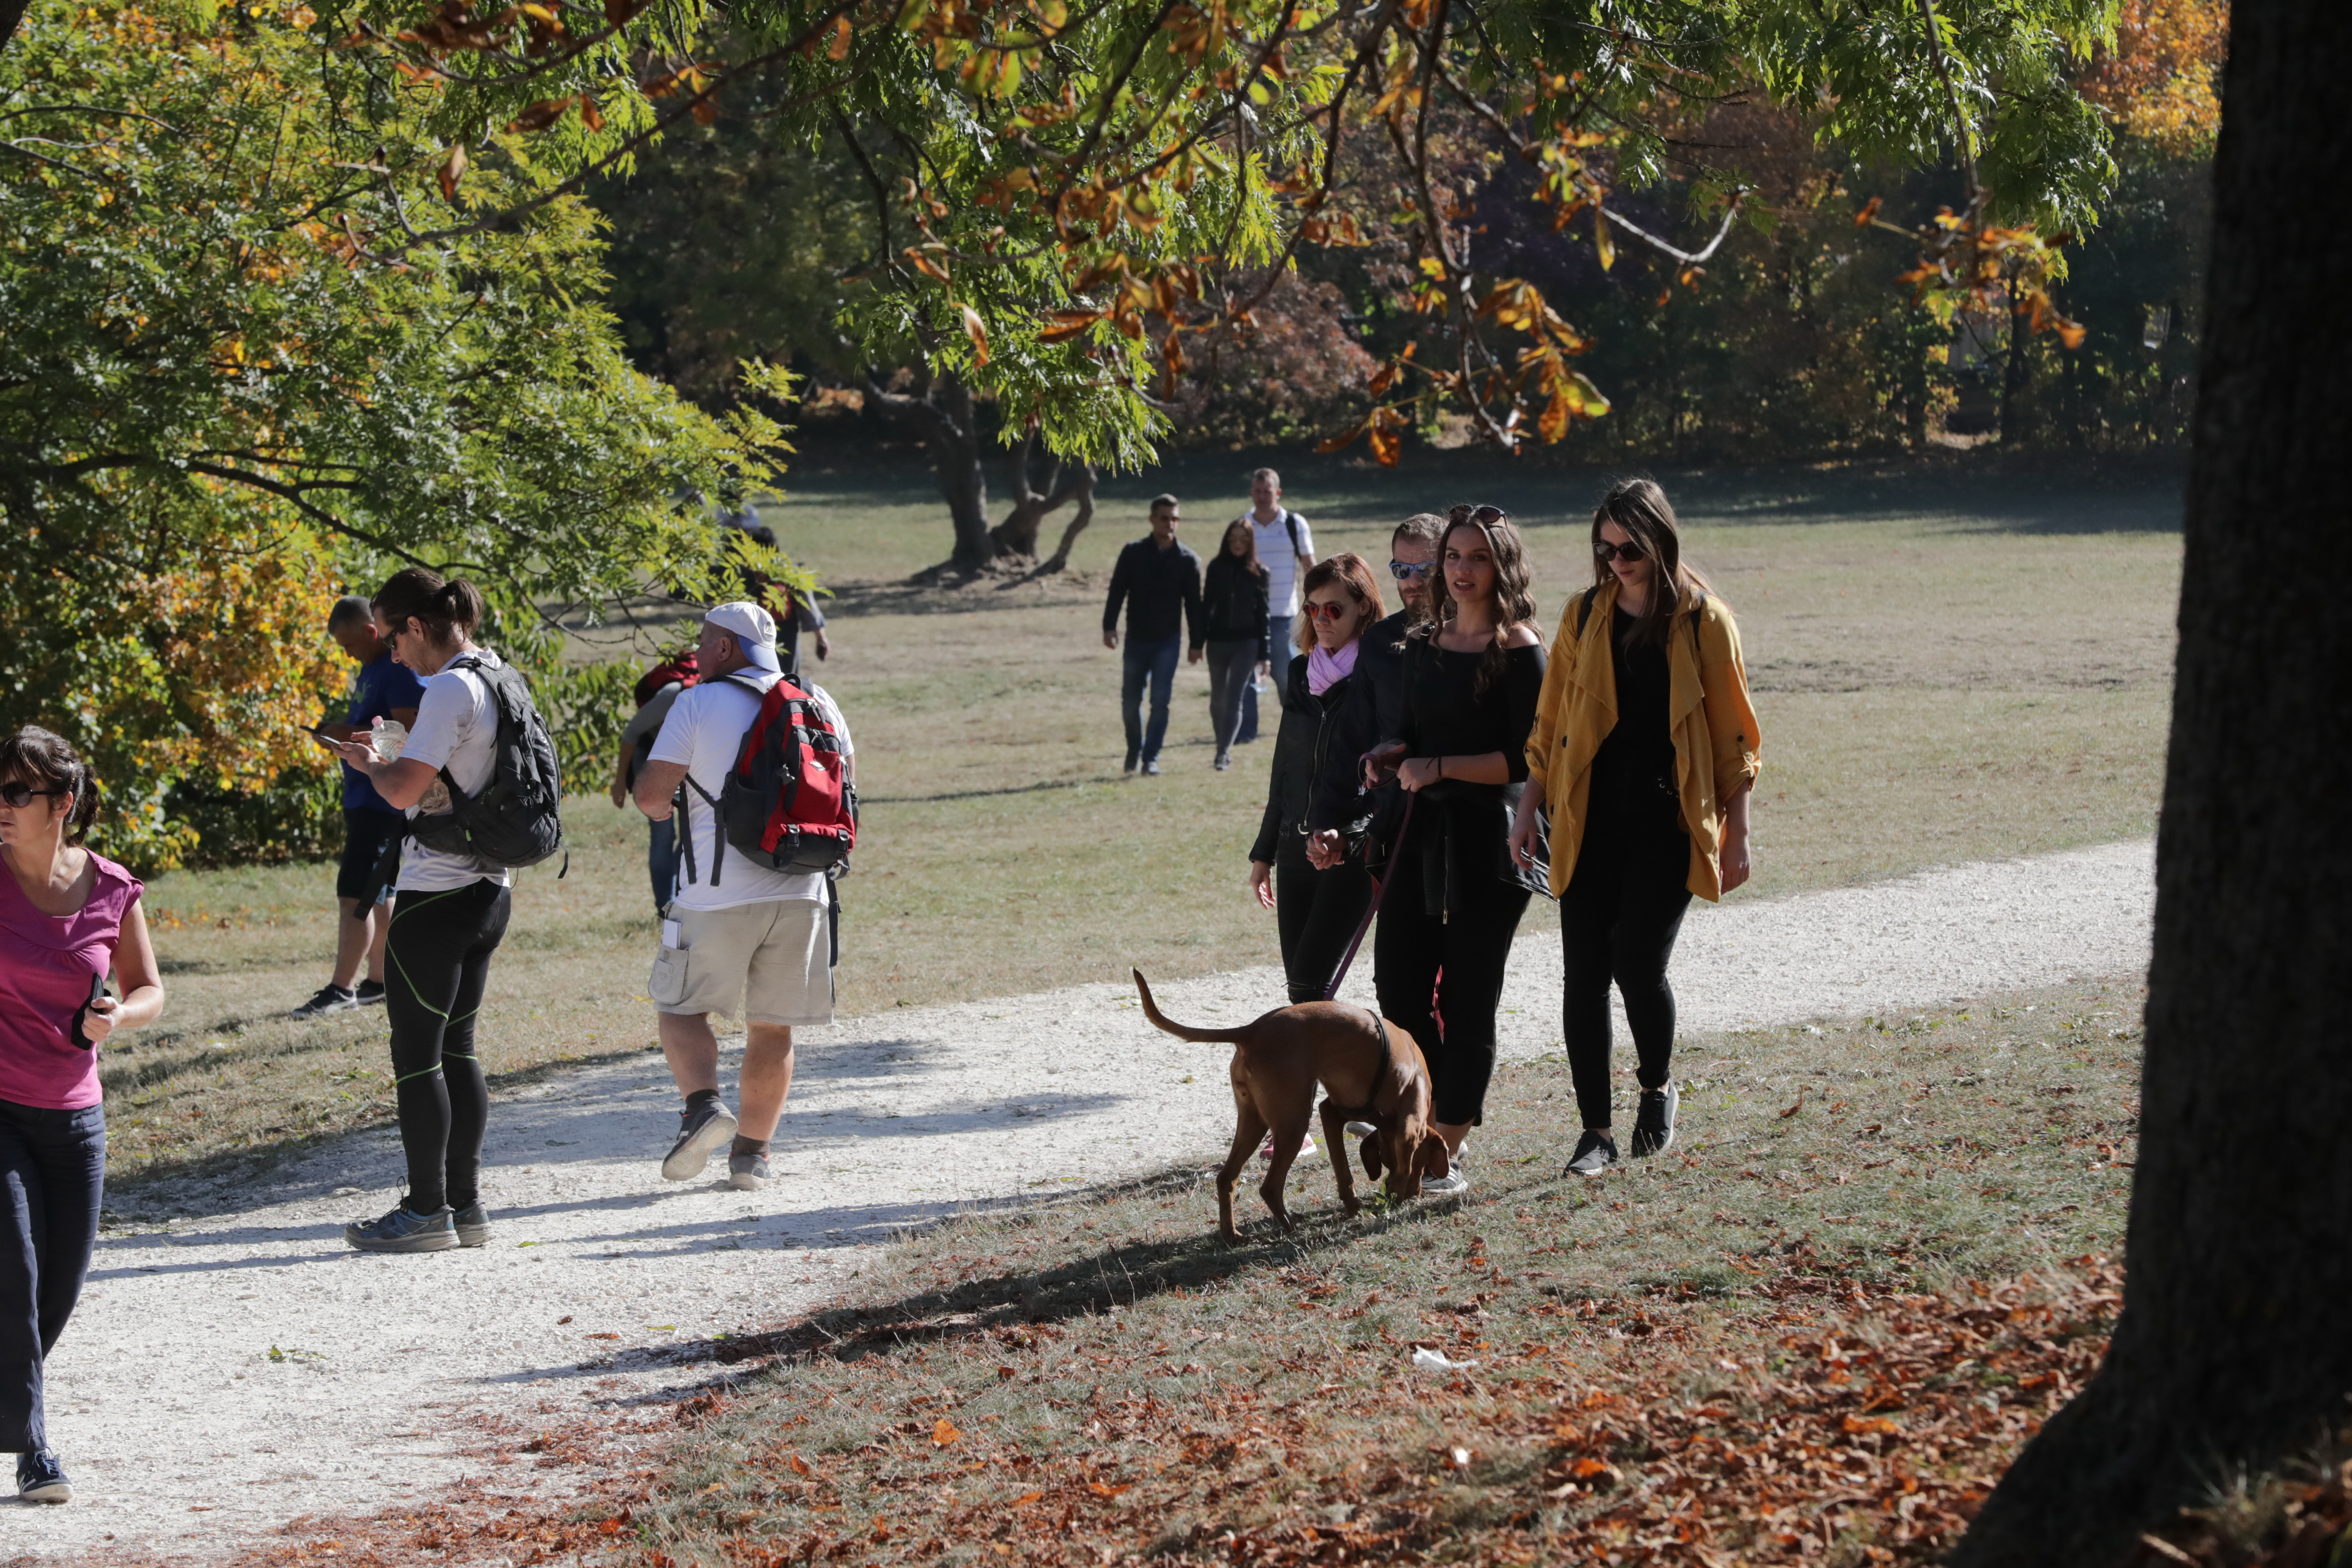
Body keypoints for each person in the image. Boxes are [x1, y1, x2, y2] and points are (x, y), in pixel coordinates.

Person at [1513, 479, 1761, 1178]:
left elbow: (1733, 735)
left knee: (1635, 963)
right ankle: (1595, 1132)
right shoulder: (1585, 614)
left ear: (1659, 540)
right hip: (1588, 816)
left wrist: (1737, 829)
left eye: (1628, 547)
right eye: (1605, 546)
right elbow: (1552, 722)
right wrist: (1530, 805)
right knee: (1583, 976)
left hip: (1667, 817)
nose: (1616, 559)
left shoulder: (1702, 620)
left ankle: (1655, 1086)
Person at [322, 568, 522, 1253]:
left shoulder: (445, 690)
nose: (392, 655)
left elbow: (406, 789)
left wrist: (366, 762)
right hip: (491, 889)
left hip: (437, 893)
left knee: (415, 1055)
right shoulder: (497, 676)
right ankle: (466, 1208)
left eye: (391, 638)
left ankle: (425, 1210)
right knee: (458, 1049)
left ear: (414, 626)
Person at [1361, 505, 1547, 1198]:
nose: (1461, 570)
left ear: (1501, 567)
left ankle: (1448, 1143)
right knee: (1399, 990)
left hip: (1491, 842)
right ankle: (1426, 1117)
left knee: (1469, 996)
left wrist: (1438, 767)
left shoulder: (1520, 646)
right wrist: (1390, 755)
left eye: (1475, 558)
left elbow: (1528, 758)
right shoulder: (1423, 642)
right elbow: (1410, 733)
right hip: (1416, 834)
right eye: (1453, 557)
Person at [0, 727, 165, 1504]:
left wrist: (117, 1018)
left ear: (62, 804)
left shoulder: (110, 887)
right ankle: (35, 1448)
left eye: (15, 793)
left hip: (75, 1117)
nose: (1, 807)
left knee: (54, 1291)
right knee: (16, 1267)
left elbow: (149, 989)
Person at [631, 603, 836, 1193]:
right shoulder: (817, 700)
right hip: (805, 888)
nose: (697, 652)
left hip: (714, 893)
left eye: (704, 642)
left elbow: (650, 797)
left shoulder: (695, 702)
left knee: (679, 1008)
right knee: (773, 1029)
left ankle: (702, 1108)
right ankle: (752, 1157)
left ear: (724, 648)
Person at [1249, 554, 1386, 1003]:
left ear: (1364, 606)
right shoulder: (1299, 672)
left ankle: (1356, 1071)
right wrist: (1264, 851)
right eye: (1312, 608)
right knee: (1302, 995)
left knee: (1312, 985)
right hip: (1295, 848)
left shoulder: (1383, 675)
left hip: (1352, 851)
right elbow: (1284, 765)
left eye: (1334, 609)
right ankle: (1311, 1076)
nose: (1321, 619)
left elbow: (1387, 778)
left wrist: (1347, 835)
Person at [291, 597, 424, 1017]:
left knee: (355, 895)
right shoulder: (370, 670)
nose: (346, 654)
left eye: (349, 644)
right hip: (365, 798)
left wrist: (344, 732)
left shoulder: (397, 670)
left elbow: (409, 732)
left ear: (371, 631)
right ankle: (378, 982)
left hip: (384, 799)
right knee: (379, 896)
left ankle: (341, 989)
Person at [1305, 513, 1444, 863]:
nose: (1412, 582)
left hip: (1471, 816)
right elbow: (1354, 737)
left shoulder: (1484, 639)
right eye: (1402, 571)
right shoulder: (1379, 642)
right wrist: (1330, 824)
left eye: (1425, 570)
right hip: (1399, 820)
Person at [1100, 494, 1204, 777]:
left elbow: (1194, 606)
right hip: (1136, 639)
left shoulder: (1188, 560)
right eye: (1164, 518)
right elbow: (1117, 592)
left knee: (1161, 701)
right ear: (1152, 519)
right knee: (1130, 702)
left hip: (1168, 642)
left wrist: (1197, 644)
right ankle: (1135, 748)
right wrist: (1109, 627)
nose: (1170, 523)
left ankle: (1151, 758)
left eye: (1174, 518)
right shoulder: (1133, 553)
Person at [612, 644, 699, 915]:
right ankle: (664, 907)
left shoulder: (718, 695)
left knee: (692, 833)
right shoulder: (674, 694)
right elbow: (632, 733)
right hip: (650, 753)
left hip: (689, 758)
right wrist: (619, 782)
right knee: (663, 834)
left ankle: (681, 899)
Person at [1233, 467, 1315, 746]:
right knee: (1245, 674)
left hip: (1283, 614)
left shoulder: (1294, 524)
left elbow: (1309, 566)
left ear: (1277, 493)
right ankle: (1246, 731)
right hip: (1247, 616)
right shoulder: (1242, 526)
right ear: (1251, 493)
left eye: (1267, 491)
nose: (1262, 496)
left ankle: (1296, 723)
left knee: (1284, 672)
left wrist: (1314, 604)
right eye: (1257, 491)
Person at [1200, 519, 1271, 770]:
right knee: (1217, 698)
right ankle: (1222, 743)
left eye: (1244, 539)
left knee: (1234, 697)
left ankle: (1223, 753)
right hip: (1217, 641)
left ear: (1250, 542)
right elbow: (1206, 606)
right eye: (1234, 539)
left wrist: (1265, 655)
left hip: (1247, 643)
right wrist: (1197, 643)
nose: (1238, 544)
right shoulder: (1216, 568)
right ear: (1227, 540)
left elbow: (1264, 615)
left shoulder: (1260, 573)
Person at [739, 523, 830, 680]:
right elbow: (808, 607)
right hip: (768, 638)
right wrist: (821, 639)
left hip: (780, 638)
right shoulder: (746, 575)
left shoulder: (786, 574)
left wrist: (821, 639)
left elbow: (807, 605)